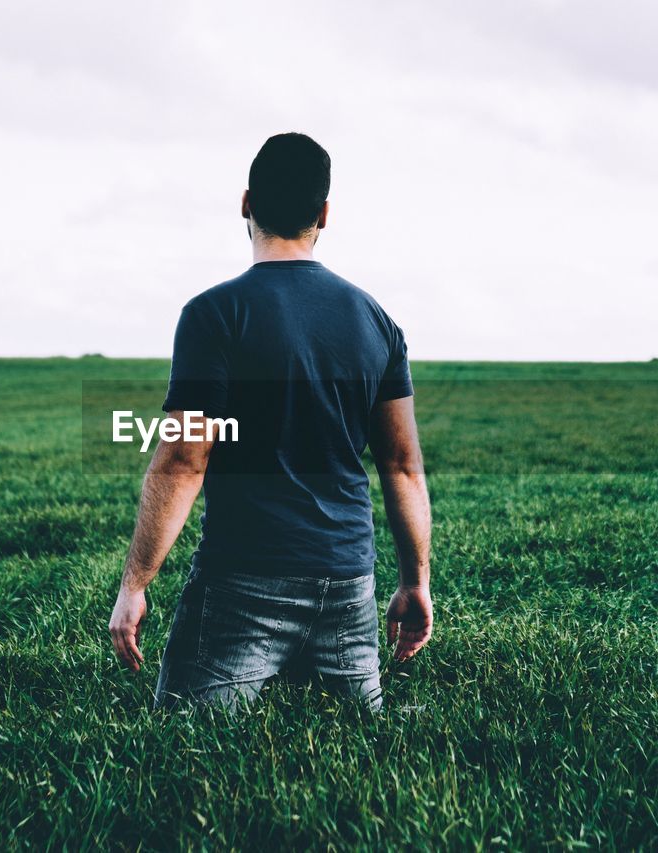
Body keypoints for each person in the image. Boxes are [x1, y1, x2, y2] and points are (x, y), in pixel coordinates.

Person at [108, 132, 432, 710]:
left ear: (246, 204)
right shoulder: (376, 321)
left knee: (180, 748)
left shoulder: (214, 315)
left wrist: (135, 585)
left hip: (241, 587)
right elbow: (402, 467)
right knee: (360, 741)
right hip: (348, 589)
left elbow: (183, 460)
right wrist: (415, 583)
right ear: (324, 215)